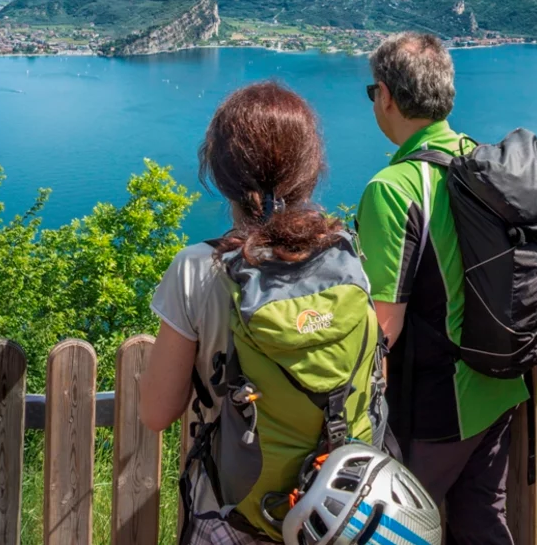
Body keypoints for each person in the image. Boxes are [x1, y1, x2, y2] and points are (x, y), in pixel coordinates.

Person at [140, 81, 383, 545]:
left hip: (234, 513)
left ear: (221, 172)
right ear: (310, 170)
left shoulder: (197, 269)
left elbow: (155, 412)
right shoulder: (348, 263)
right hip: (335, 515)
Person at [355, 32, 528, 545]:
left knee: (394, 533)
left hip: (436, 406)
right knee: (480, 521)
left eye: (372, 93)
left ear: (386, 95)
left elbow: (383, 326)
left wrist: (362, 424)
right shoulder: (482, 161)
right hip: (498, 385)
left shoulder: (393, 190)